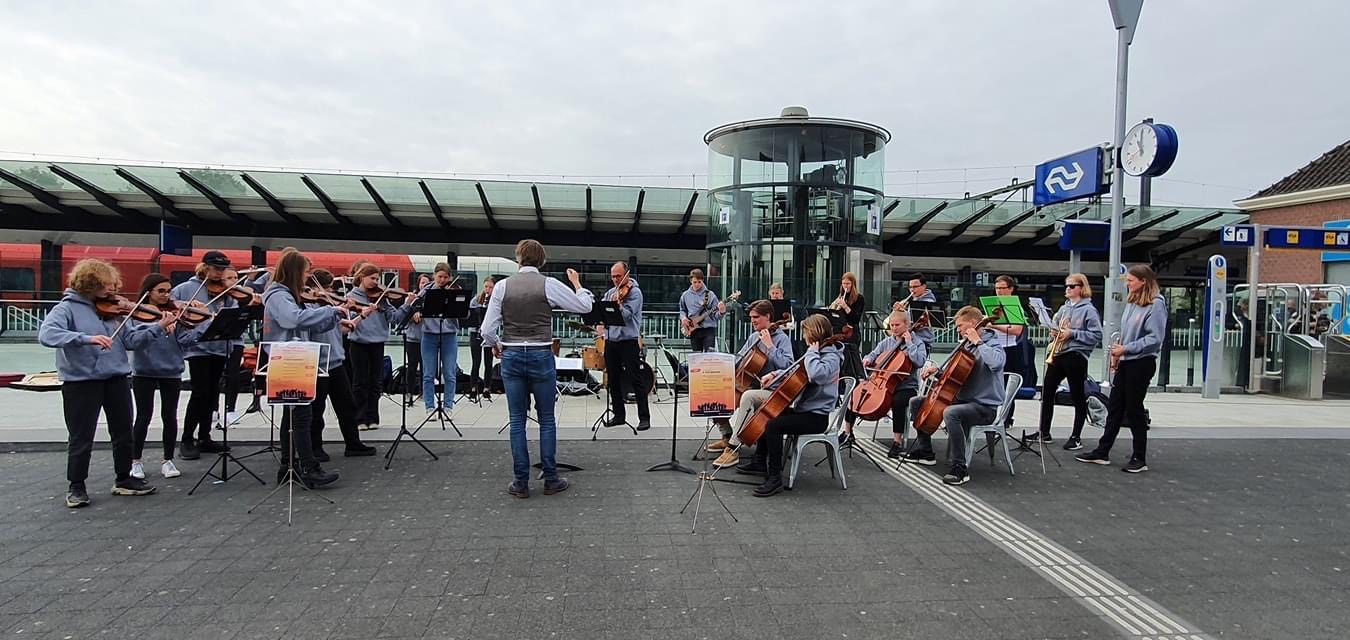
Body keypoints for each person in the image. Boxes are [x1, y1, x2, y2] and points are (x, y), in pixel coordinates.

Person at [39, 259, 164, 507]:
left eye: (113, 285)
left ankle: (124, 478)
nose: (112, 291)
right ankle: (76, 486)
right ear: (89, 284)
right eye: (106, 286)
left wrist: (158, 327)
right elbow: (47, 334)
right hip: (81, 381)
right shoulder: (66, 309)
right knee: (81, 436)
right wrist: (86, 338)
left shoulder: (114, 310)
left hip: (116, 377)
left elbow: (130, 341)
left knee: (123, 431)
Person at [480, 239, 594, 498]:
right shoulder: (549, 284)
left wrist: (496, 344)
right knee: (547, 419)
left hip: (511, 354)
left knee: (517, 420)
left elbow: (487, 329)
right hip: (541, 353)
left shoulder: (501, 286)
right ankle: (551, 478)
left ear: (518, 258)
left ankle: (520, 482)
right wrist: (578, 285)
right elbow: (584, 307)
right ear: (541, 260)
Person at [261, 249, 344, 487]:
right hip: (288, 360)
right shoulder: (278, 295)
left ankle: (290, 466)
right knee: (301, 416)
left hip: (296, 357)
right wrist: (328, 310)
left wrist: (333, 317)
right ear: (295, 271)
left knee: (294, 416)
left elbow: (305, 321)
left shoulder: (287, 294)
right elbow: (292, 319)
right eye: (306, 272)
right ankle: (308, 467)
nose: (308, 277)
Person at [901, 306, 1006, 486]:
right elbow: (957, 374)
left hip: (984, 406)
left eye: (960, 326)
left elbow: (997, 363)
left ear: (973, 324)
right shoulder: (966, 344)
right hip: (963, 399)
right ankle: (926, 452)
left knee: (951, 413)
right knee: (916, 402)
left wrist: (979, 342)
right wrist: (938, 372)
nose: (957, 330)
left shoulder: (992, 343)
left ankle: (960, 467)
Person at [742, 314, 844, 498]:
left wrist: (812, 353)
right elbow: (797, 370)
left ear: (813, 333)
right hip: (804, 411)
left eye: (805, 332)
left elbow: (817, 375)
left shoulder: (832, 356)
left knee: (774, 425)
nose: (803, 336)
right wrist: (775, 374)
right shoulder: (816, 351)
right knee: (767, 411)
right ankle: (759, 461)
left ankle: (775, 479)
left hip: (816, 417)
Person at [1076, 265, 1165, 473]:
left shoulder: (1156, 304)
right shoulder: (1133, 302)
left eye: (1131, 281)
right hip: (1126, 359)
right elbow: (1125, 332)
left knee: (1134, 408)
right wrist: (1119, 355)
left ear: (1144, 281)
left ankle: (1139, 457)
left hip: (1142, 361)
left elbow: (1155, 338)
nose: (1128, 284)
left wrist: (1127, 348)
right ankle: (1102, 450)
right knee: (1115, 406)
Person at [128, 273, 205, 481]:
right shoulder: (136, 314)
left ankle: (168, 460)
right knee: (143, 416)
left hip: (171, 370)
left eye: (168, 291)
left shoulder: (175, 312)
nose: (166, 295)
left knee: (169, 416)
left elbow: (185, 340)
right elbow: (133, 341)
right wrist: (158, 326)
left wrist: (202, 324)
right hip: (144, 370)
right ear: (148, 292)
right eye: (160, 291)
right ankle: (135, 461)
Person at [707, 300, 794, 466]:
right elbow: (740, 357)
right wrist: (721, 363)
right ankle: (727, 436)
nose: (752, 320)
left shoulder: (782, 339)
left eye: (756, 317)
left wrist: (770, 346)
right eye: (751, 317)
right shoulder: (754, 336)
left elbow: (789, 367)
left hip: (771, 389)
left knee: (747, 397)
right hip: (749, 382)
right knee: (714, 395)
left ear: (768, 316)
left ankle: (733, 449)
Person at [171, 250, 238, 460]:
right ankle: (187, 438)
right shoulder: (185, 289)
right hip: (197, 348)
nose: (219, 274)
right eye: (216, 269)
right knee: (199, 392)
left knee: (213, 393)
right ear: (204, 267)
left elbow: (233, 312)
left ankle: (205, 436)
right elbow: (177, 316)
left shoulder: (225, 291)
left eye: (223, 270)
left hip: (218, 347)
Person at [306, 269, 376, 459]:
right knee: (317, 409)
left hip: (336, 361)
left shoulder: (330, 307)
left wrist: (359, 315)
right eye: (328, 288)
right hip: (318, 362)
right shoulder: (309, 308)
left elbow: (344, 329)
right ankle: (315, 448)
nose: (329, 292)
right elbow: (318, 326)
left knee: (347, 405)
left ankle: (353, 443)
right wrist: (337, 310)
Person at [839, 311, 928, 458]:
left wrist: (909, 344)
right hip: (882, 383)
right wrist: (867, 359)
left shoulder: (918, 343)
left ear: (907, 324)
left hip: (906, 387)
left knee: (898, 401)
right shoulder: (887, 342)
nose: (893, 328)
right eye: (891, 325)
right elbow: (873, 354)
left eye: (897, 325)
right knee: (855, 395)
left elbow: (919, 361)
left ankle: (897, 442)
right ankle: (848, 432)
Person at [1035, 273, 1102, 451]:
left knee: (1077, 395)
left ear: (1081, 288)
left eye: (1072, 286)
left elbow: (1097, 335)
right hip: (1059, 353)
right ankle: (1044, 431)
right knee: (1047, 391)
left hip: (1076, 355)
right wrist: (1055, 332)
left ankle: (1076, 436)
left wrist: (1073, 333)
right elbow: (1056, 326)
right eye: (1066, 286)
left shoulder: (1089, 309)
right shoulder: (1064, 308)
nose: (1068, 289)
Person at [346, 263, 414, 428]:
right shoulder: (351, 296)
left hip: (377, 342)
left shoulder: (382, 298)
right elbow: (349, 319)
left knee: (376, 382)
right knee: (360, 382)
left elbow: (394, 318)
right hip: (359, 342)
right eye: (372, 278)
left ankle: (373, 417)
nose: (375, 282)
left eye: (377, 279)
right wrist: (363, 311)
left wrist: (407, 304)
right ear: (362, 277)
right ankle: (360, 418)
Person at [600, 261, 651, 431]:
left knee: (635, 378)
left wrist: (619, 306)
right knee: (613, 380)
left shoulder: (635, 293)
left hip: (629, 341)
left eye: (618, 276)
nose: (615, 280)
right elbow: (602, 310)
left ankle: (644, 418)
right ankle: (618, 415)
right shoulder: (610, 293)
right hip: (611, 341)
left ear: (626, 275)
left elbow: (628, 317)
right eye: (613, 276)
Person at [416, 263, 461, 415]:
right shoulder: (425, 292)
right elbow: (414, 308)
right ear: (434, 275)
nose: (442, 280)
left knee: (449, 372)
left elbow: (464, 314)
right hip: (429, 335)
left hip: (449, 335)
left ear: (450, 278)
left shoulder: (454, 291)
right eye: (439, 277)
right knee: (428, 373)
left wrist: (454, 302)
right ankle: (430, 406)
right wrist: (416, 312)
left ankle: (448, 406)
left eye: (445, 277)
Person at [989, 275, 1028, 429]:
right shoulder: (993, 305)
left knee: (1008, 386)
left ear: (1011, 289)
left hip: (1010, 348)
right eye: (997, 288)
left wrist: (994, 325)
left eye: (1002, 288)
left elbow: (1017, 330)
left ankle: (1007, 418)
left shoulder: (1014, 306)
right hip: (995, 346)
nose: (999, 291)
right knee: (992, 384)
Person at [679, 268, 727, 353]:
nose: (697, 284)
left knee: (709, 354)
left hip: (708, 329)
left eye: (699, 282)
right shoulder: (685, 295)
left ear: (703, 281)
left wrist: (722, 312)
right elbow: (682, 310)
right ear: (691, 281)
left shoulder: (710, 295)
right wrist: (683, 318)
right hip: (693, 329)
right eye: (695, 282)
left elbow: (716, 315)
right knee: (696, 356)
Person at [403, 272, 431, 405]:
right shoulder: (411, 298)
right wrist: (413, 313)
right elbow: (404, 316)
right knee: (412, 366)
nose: (424, 284)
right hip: (412, 337)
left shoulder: (431, 299)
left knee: (426, 367)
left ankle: (423, 392)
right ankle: (408, 392)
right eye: (422, 282)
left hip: (426, 337)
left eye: (426, 282)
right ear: (418, 284)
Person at [468, 276, 497, 401]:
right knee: (476, 361)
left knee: (488, 362)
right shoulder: (476, 299)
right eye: (486, 287)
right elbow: (470, 314)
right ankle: (473, 388)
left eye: (490, 287)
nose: (488, 290)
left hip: (488, 334)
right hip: (475, 333)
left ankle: (486, 388)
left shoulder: (495, 301)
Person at [832, 272, 866, 380]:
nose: (845, 286)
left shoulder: (859, 298)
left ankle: (854, 380)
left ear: (853, 284)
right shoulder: (841, 297)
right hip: (841, 332)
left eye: (848, 284)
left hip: (852, 333)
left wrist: (846, 307)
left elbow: (855, 319)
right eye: (843, 284)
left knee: (851, 362)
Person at [894, 272, 938, 346]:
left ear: (924, 286)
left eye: (915, 287)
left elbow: (913, 322)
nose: (912, 290)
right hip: (911, 339)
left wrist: (903, 312)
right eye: (910, 287)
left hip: (922, 340)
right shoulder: (913, 300)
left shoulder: (928, 302)